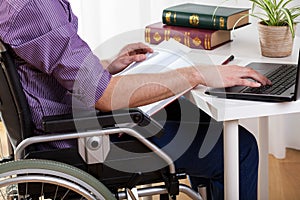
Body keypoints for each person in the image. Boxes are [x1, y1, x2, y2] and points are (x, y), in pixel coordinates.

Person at [0, 0, 271, 199]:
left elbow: (48, 67)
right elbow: (105, 96)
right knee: (239, 149)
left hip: (73, 116)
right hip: (82, 139)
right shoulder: (35, 7)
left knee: (195, 120)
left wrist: (104, 66)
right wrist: (197, 74)